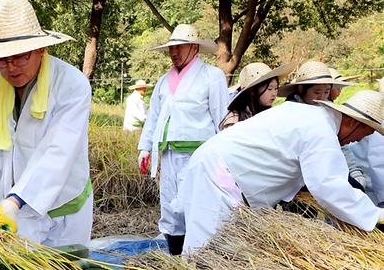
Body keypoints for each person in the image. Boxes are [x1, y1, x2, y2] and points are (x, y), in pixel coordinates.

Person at [0, 0, 92, 246]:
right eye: (2, 59)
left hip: (64, 210)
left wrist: (15, 200)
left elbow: (58, 151)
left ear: (40, 49)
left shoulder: (71, 83)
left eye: (20, 56)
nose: (11, 67)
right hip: (10, 210)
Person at [178, 89, 384, 254]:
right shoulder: (321, 130)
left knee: (219, 245)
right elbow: (329, 187)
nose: (359, 140)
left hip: (216, 166)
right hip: (218, 173)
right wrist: (375, 216)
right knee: (208, 248)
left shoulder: (313, 116)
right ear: (353, 122)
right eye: (365, 133)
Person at [137, 24, 228, 255]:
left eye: (180, 47)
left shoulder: (212, 76)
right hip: (168, 154)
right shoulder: (163, 81)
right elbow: (154, 118)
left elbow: (221, 116)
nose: (174, 53)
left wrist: (226, 153)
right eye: (172, 48)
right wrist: (145, 148)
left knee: (196, 204)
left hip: (198, 154)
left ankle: (200, 256)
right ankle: (175, 255)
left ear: (194, 47)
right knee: (170, 207)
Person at [219, 62, 293, 130]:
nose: (274, 93)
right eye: (269, 89)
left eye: (276, 88)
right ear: (252, 91)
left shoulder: (271, 114)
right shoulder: (235, 118)